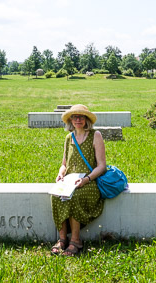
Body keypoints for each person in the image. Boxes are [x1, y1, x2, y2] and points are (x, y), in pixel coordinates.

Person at [50, 104, 106, 256]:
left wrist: (86, 179)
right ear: (71, 120)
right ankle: (62, 239)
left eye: (81, 117)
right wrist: (60, 174)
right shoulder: (69, 137)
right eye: (75, 117)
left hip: (89, 181)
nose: (78, 120)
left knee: (75, 196)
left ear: (87, 119)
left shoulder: (96, 135)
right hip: (70, 181)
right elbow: (64, 164)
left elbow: (101, 166)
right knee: (56, 196)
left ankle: (76, 241)